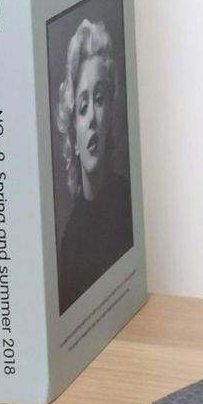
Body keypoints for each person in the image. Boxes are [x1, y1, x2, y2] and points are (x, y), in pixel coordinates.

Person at [54, 17, 133, 313]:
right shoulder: (71, 241)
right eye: (83, 107)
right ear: (73, 133)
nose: (92, 120)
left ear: (111, 113)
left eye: (99, 100)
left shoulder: (128, 206)